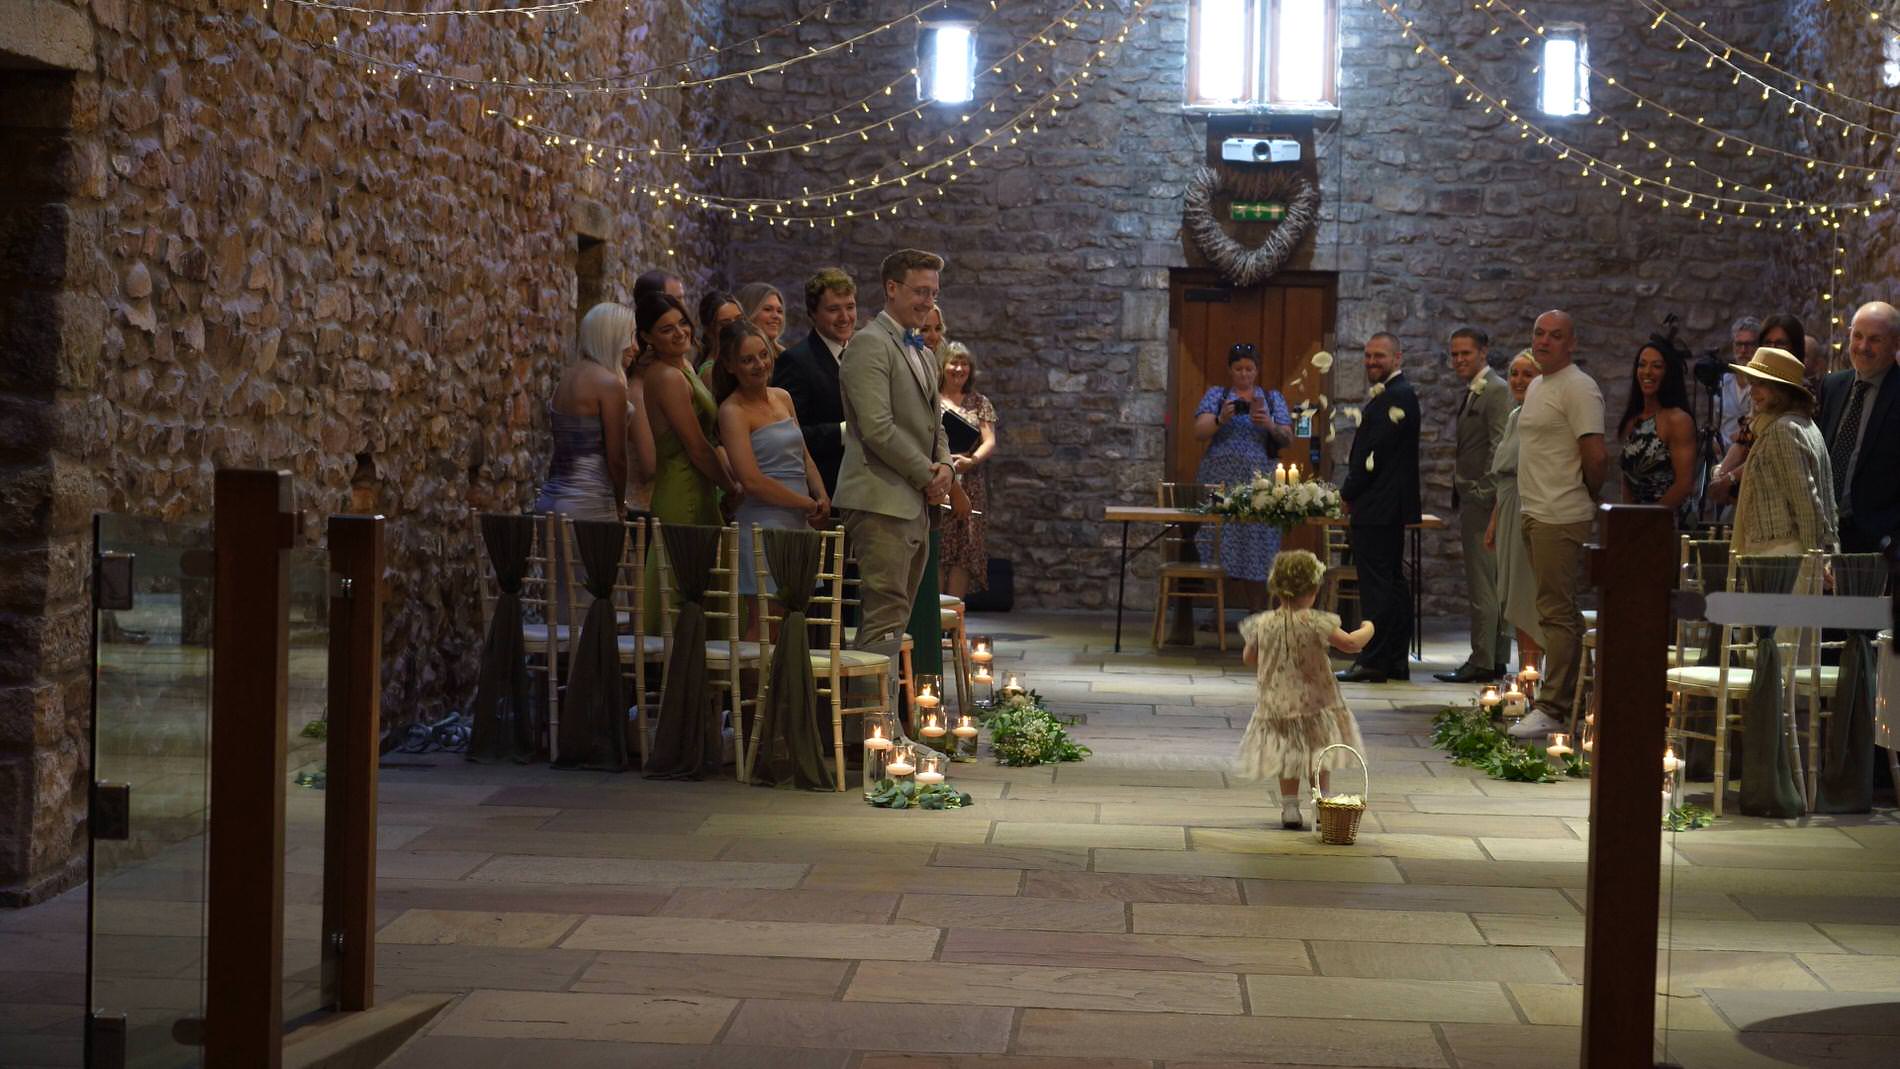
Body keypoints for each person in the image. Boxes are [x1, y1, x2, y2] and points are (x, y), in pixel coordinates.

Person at [834, 248, 955, 712]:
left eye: (934, 293)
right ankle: (874, 733)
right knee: (882, 621)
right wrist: (927, 474)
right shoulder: (869, 344)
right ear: (891, 288)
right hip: (882, 500)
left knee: (897, 618)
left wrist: (944, 466)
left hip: (914, 500)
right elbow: (877, 426)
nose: (928, 302)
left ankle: (883, 728)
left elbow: (934, 422)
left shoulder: (917, 347)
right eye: (921, 291)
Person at [1508, 311, 1606, 740]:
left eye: (1555, 336)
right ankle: (1554, 698)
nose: (1544, 342)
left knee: (1558, 611)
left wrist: (1578, 495)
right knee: (1547, 609)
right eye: (1539, 334)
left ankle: (1554, 706)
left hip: (1561, 513)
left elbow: (1596, 457)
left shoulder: (1579, 387)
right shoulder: (1538, 387)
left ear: (1572, 343)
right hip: (1534, 511)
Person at [1236, 550, 1372, 831]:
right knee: (1318, 752)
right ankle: (1321, 805)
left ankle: (1289, 807)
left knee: (1287, 753)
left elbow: (1249, 658)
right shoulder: (1316, 621)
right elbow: (1350, 644)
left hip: (1276, 701)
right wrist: (1369, 627)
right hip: (1315, 700)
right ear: (1313, 589)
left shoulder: (1263, 623)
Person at [715, 320, 829, 633]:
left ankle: (784, 682)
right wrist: (805, 503)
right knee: (765, 621)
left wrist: (820, 496)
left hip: (797, 520)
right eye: (747, 360)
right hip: (763, 524)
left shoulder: (783, 397)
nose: (759, 365)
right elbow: (751, 481)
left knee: (792, 619)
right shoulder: (733, 411)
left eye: (763, 355)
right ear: (730, 366)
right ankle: (754, 684)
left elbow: (804, 456)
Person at [635, 291, 740, 621]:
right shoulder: (666, 377)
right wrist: (733, 487)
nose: (680, 332)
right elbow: (696, 446)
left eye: (682, 323)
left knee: (704, 585)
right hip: (684, 492)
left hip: (698, 487)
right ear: (647, 337)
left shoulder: (683, 368)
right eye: (666, 329)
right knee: (686, 588)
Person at [1337, 332, 1421, 684]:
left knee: (1377, 588)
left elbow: (1373, 455)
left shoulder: (1395, 396)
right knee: (1392, 585)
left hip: (1377, 506)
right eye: (1368, 356)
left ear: (1397, 358)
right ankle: (1394, 660)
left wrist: (1348, 492)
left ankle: (1373, 659)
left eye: (1380, 356)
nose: (1372, 362)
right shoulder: (1395, 395)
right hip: (1388, 505)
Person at [1436, 327, 1514, 684]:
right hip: (1478, 500)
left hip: (1485, 503)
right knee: (1491, 583)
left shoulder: (1495, 390)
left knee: (1483, 583)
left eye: (1465, 353)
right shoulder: (1476, 390)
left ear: (1484, 352)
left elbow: (1499, 444)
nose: (1458, 360)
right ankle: (1494, 657)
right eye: (1454, 354)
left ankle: (1483, 658)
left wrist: (1484, 492)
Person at [1192, 343, 1295, 608]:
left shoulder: (1271, 399)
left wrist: (1269, 424)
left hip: (1259, 488)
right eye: (1238, 369)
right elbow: (1199, 432)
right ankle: (1216, 614)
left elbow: (1287, 439)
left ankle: (1258, 613)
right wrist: (1221, 418)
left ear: (1257, 370)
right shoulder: (1218, 395)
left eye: (1249, 369)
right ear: (1229, 370)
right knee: (1216, 542)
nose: (1244, 374)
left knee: (1259, 546)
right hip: (1219, 483)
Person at [1728, 346, 1838, 555]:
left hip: (1781, 556)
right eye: (1753, 384)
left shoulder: (1784, 429)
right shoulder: (1802, 424)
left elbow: (1806, 503)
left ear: (1781, 389)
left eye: (1761, 384)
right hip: (1783, 553)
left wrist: (1816, 558)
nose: (1753, 392)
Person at [534, 302, 631, 522]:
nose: (634, 347)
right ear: (612, 338)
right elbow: (617, 458)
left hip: (550, 499)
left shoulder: (567, 378)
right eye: (629, 337)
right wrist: (619, 504)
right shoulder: (608, 384)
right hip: (589, 503)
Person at [1821, 301, 1900, 554]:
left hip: (1880, 541)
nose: (1863, 347)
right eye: (1858, 336)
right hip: (1826, 533)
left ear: (1896, 344)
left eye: (1875, 339)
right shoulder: (1832, 386)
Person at [771, 268, 857, 497]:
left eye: (850, 307)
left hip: (864, 489)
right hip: (824, 489)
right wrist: (845, 431)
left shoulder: (862, 355)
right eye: (833, 309)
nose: (845, 317)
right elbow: (789, 435)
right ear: (812, 313)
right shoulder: (796, 361)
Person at [1485, 350, 1545, 673]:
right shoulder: (1514, 415)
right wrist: (1494, 519)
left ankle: (1531, 676)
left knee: (1526, 595)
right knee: (1511, 593)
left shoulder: (1541, 418)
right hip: (1508, 504)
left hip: (1527, 505)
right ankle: (1525, 673)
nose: (1519, 380)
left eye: (1528, 374)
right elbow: (1503, 473)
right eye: (1514, 373)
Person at [1709, 315, 1806, 510]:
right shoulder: (1759, 390)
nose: (1773, 349)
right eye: (1768, 343)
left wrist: (1729, 478)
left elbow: (1771, 451)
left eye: (1780, 343)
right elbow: (1745, 436)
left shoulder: (1800, 394)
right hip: (1751, 490)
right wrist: (1721, 474)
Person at [1616, 336, 1698, 524]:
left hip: (1668, 524)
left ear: (1669, 373)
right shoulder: (1633, 419)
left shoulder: (1678, 421)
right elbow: (1627, 480)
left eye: (1656, 366)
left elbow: (1684, 485)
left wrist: (1647, 520)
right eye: (1642, 365)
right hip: (1635, 525)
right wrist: (1627, 520)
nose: (1647, 372)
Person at [938, 341, 998, 598]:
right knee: (939, 549)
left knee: (965, 552)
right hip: (939, 481)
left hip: (969, 483)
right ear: (943, 367)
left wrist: (971, 461)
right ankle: (935, 622)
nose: (958, 368)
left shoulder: (979, 402)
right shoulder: (932, 398)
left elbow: (990, 440)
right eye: (953, 362)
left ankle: (953, 619)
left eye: (964, 364)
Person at [694, 289, 742, 382]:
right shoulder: (711, 372)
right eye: (725, 324)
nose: (735, 327)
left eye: (739, 320)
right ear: (709, 331)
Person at [736, 282, 787, 360]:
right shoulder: (726, 359)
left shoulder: (786, 358)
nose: (776, 316)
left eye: (779, 311)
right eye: (767, 309)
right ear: (749, 312)